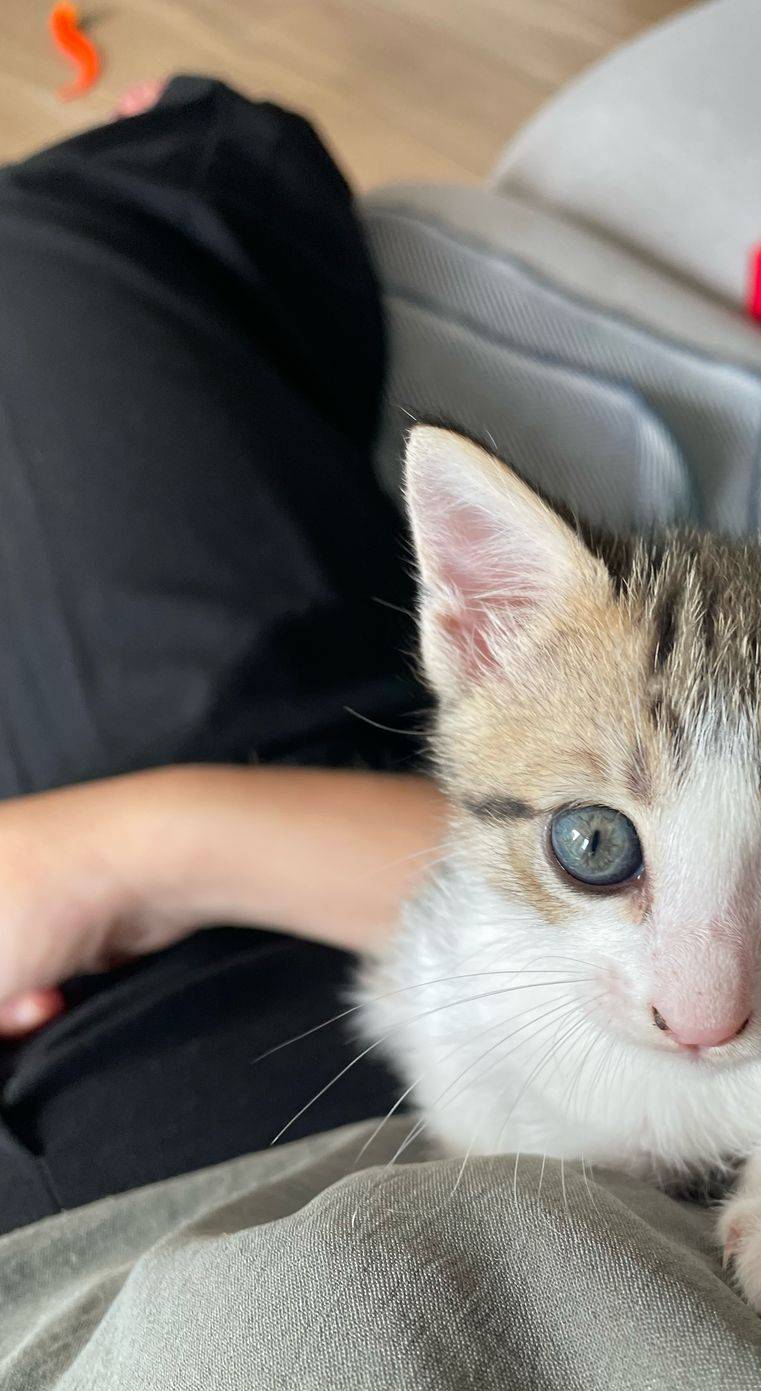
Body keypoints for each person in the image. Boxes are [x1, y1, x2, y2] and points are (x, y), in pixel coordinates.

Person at [0, 77, 447, 1231]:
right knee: (47, 243)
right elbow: (684, 935)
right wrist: (115, 856)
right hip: (301, 914)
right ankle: (185, 161)